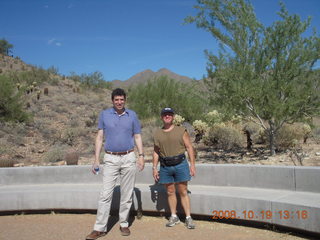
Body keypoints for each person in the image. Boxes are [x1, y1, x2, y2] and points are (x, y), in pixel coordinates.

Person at [86, 88, 145, 240]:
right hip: (110, 158)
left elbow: (137, 136)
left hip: (128, 157)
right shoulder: (104, 114)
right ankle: (99, 228)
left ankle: (124, 223)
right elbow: (99, 137)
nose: (119, 102)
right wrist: (96, 159)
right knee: (105, 194)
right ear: (112, 100)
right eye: (116, 100)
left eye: (122, 99)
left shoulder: (132, 115)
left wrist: (141, 156)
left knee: (127, 193)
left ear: (125, 100)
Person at [152, 107, 196, 229]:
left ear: (173, 116)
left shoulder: (181, 131)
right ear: (161, 117)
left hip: (180, 164)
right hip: (165, 166)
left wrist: (192, 164)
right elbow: (156, 152)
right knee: (170, 191)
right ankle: (174, 216)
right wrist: (154, 168)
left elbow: (189, 147)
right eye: (165, 114)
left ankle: (188, 218)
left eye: (169, 114)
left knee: (183, 191)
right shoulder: (157, 134)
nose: (167, 116)